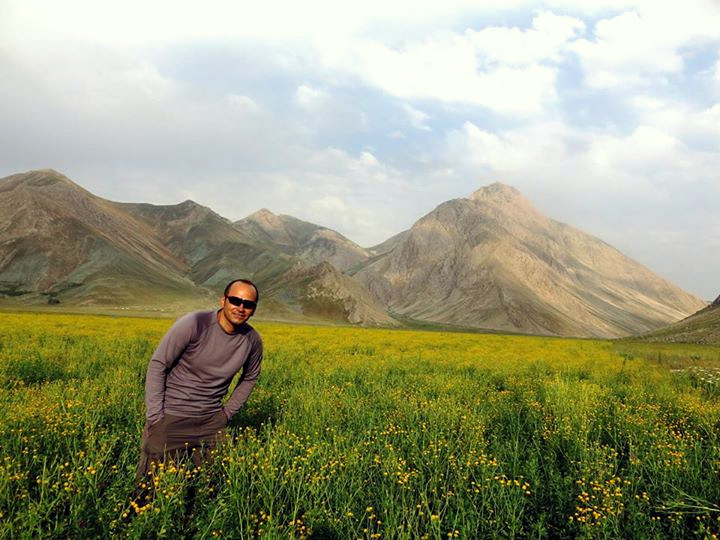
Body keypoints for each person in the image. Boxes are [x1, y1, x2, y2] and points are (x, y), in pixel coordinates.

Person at [135, 278, 263, 479]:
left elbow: (250, 377)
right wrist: (155, 418)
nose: (240, 307)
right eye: (235, 300)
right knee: (150, 488)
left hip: (211, 421)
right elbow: (158, 364)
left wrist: (226, 414)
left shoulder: (252, 340)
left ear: (254, 309)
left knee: (209, 488)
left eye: (248, 304)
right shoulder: (195, 324)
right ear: (223, 300)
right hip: (172, 416)